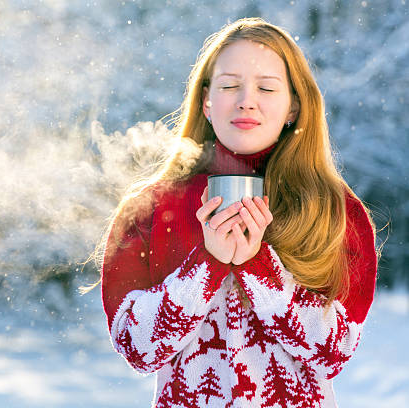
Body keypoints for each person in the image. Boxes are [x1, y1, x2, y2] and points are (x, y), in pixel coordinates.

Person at [99, 17, 378, 408]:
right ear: (207, 103)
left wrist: (260, 267)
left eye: (266, 87)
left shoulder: (332, 211)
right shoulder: (151, 209)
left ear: (294, 107)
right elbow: (137, 347)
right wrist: (207, 266)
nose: (247, 99)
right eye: (230, 86)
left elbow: (333, 352)